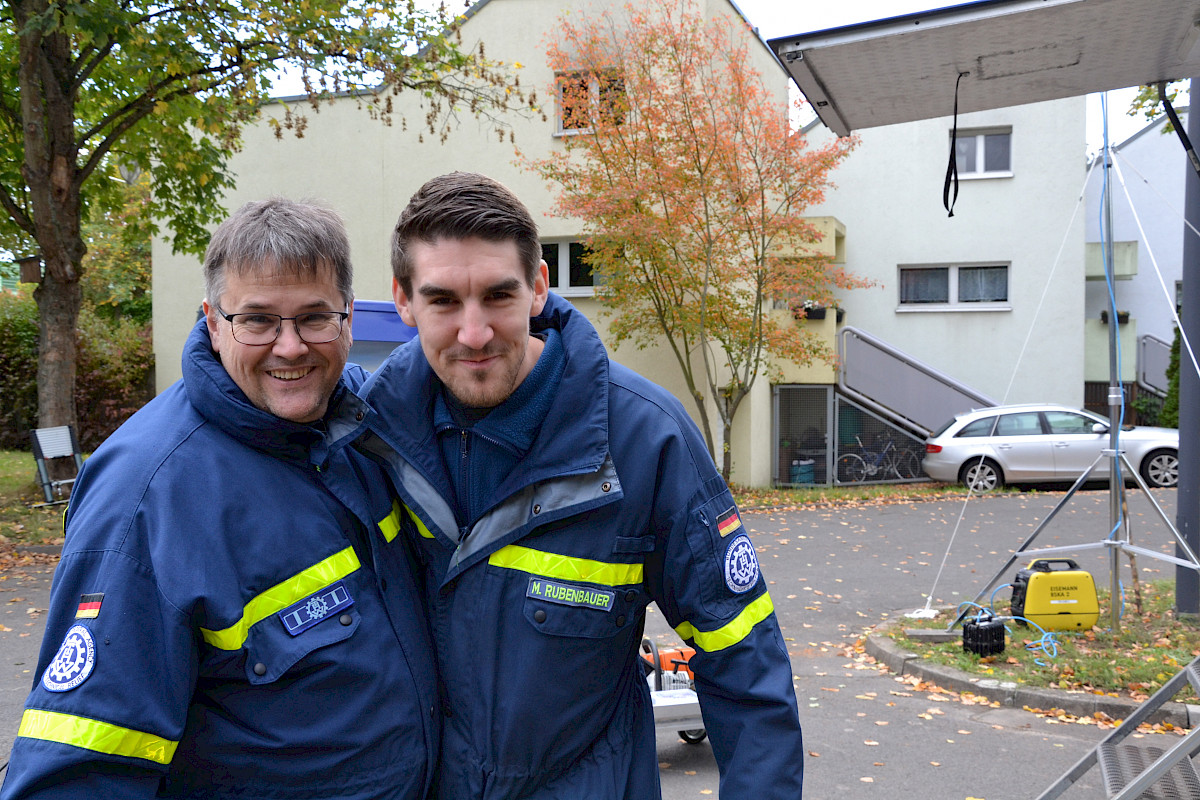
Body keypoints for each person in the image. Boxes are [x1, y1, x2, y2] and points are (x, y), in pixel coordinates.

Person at [357, 172, 805, 798]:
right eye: (442, 302)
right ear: (402, 300)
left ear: (539, 287)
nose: (474, 332)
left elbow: (745, 666)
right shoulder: (367, 435)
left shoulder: (646, 441)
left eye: (497, 296)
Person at [0, 198, 438, 799]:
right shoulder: (147, 496)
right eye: (257, 320)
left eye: (314, 317)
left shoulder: (366, 426)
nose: (291, 347)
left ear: (348, 320)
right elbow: (76, 776)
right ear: (212, 321)